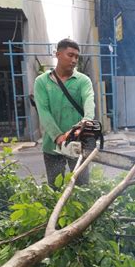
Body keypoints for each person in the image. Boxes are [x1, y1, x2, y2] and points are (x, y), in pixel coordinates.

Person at [34, 38, 95, 188]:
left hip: (78, 143)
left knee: (82, 186)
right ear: (58, 54)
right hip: (52, 145)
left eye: (76, 57)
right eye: (70, 55)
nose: (74, 60)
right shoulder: (42, 82)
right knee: (55, 187)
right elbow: (43, 111)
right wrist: (58, 136)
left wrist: (86, 121)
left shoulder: (83, 80)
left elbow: (89, 100)